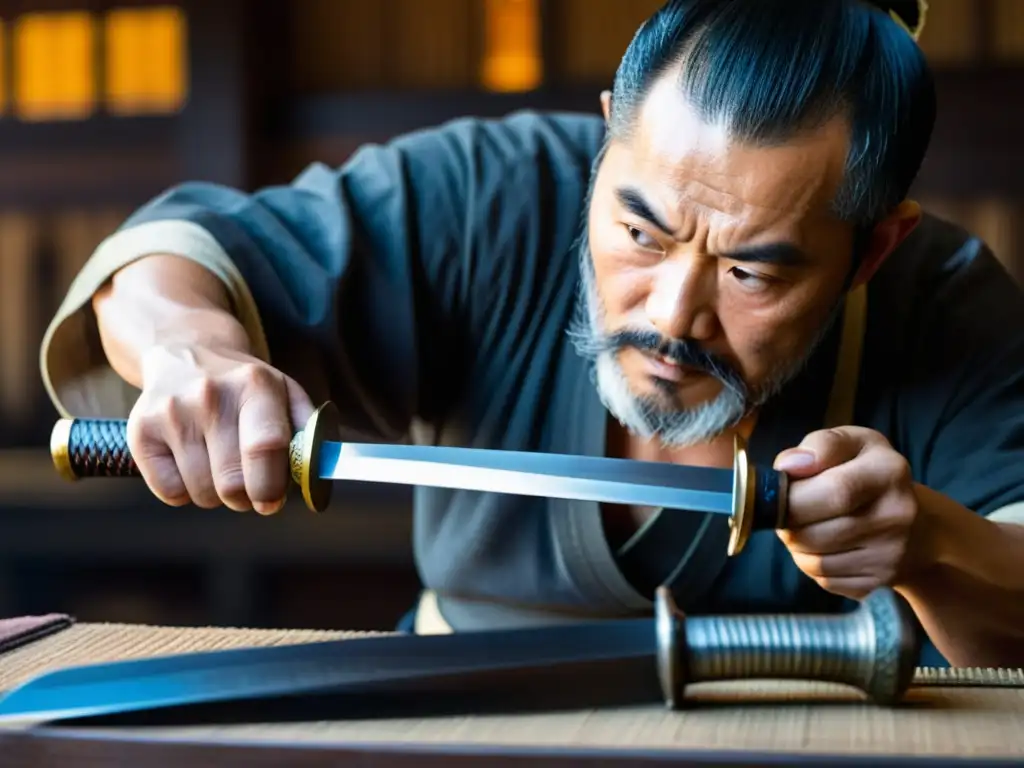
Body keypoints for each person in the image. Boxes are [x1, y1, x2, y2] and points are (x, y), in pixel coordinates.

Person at [40, 0, 1024, 668]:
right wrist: (191, 349)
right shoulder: (493, 198)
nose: (672, 314)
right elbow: (176, 256)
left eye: (750, 269)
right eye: (639, 232)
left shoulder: (944, 303)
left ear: (869, 252)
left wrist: (933, 545)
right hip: (452, 721)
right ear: (606, 137)